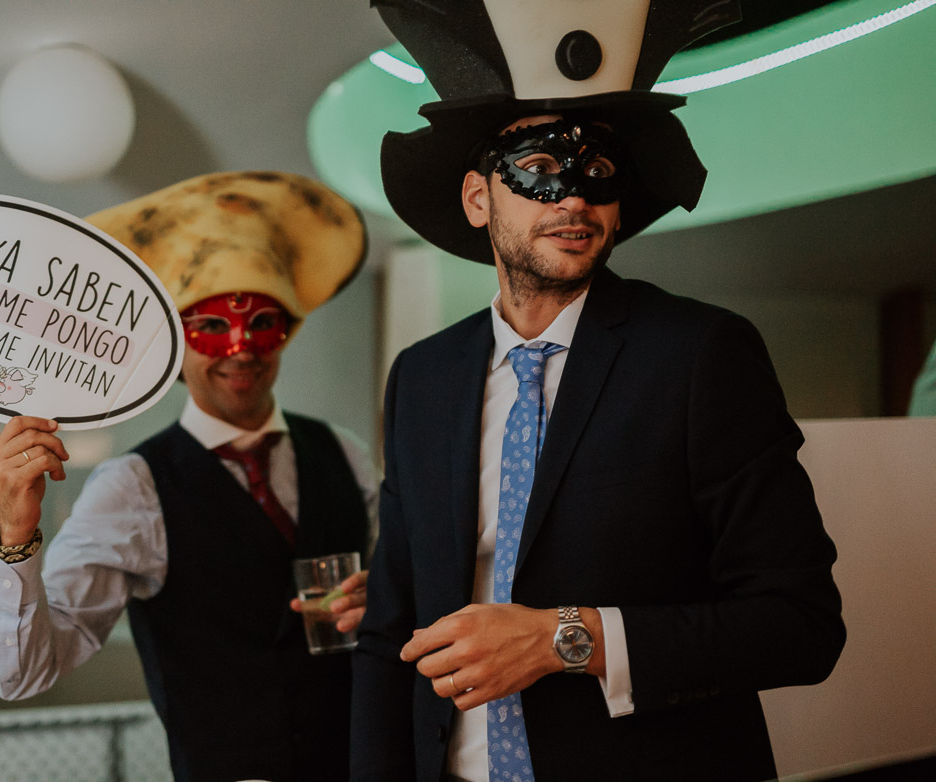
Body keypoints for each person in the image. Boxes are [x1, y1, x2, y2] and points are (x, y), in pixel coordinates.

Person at [350, 3, 845, 781]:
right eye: (540, 172)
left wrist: (563, 638)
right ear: (479, 199)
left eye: (598, 175)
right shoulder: (423, 377)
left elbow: (799, 626)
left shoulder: (698, 355)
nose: (573, 198)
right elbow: (390, 634)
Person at [0, 171, 378, 782]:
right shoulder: (134, 485)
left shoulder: (343, 451)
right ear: (172, 346)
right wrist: (16, 533)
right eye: (210, 327)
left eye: (262, 322)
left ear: (286, 331)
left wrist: (388, 599)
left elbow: (410, 585)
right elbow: (20, 674)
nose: (240, 350)